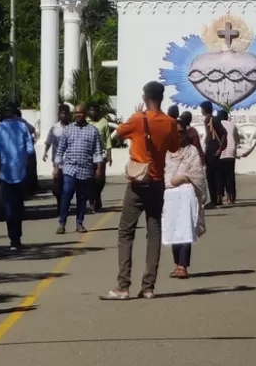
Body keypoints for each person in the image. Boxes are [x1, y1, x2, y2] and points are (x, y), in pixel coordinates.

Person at [106, 80, 180, 301]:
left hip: (138, 183)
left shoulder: (139, 119)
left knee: (125, 232)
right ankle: (148, 287)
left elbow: (119, 133)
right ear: (161, 98)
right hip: (157, 182)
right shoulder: (170, 122)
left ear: (145, 98)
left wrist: (135, 118)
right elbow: (174, 147)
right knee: (154, 232)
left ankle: (123, 286)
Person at [163, 113, 208, 278]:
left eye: (181, 132)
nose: (178, 135)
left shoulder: (191, 151)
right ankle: (177, 264)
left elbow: (197, 173)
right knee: (173, 229)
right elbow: (161, 172)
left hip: (186, 194)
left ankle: (183, 266)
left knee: (185, 228)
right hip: (169, 196)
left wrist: (184, 177)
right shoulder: (165, 152)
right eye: (175, 133)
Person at [0, 104, 35, 253]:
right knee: (19, 205)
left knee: (8, 206)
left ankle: (12, 238)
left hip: (5, 173)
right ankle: (18, 237)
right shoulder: (22, 128)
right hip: (21, 173)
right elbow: (30, 149)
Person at [53, 103, 101, 234]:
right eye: (76, 113)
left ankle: (79, 223)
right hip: (69, 169)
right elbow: (60, 150)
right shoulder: (67, 130)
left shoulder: (93, 131)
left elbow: (97, 152)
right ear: (73, 115)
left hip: (85, 170)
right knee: (66, 194)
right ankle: (62, 223)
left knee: (82, 198)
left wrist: (98, 170)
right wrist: (56, 167)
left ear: (85, 114)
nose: (78, 115)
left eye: (80, 112)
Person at [43, 103, 71, 199]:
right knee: (57, 186)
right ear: (59, 114)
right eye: (62, 113)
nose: (64, 115)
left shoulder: (72, 128)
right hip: (57, 162)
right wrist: (45, 152)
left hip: (69, 161)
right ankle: (60, 202)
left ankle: (65, 203)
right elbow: (49, 142)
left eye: (66, 113)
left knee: (68, 186)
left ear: (69, 114)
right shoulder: (54, 128)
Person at [89, 102, 113, 211]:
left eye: (95, 110)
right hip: (88, 155)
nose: (93, 112)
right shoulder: (85, 122)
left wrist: (109, 154)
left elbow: (108, 138)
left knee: (100, 179)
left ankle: (97, 195)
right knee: (90, 179)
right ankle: (93, 199)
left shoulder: (104, 122)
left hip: (101, 154)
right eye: (91, 110)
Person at [200, 103, 223, 206]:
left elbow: (224, 133)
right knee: (211, 176)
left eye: (201, 109)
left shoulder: (214, 120)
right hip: (209, 149)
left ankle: (216, 200)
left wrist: (220, 149)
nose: (201, 111)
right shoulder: (208, 120)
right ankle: (215, 199)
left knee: (214, 176)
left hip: (214, 150)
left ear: (205, 109)